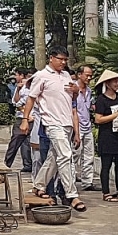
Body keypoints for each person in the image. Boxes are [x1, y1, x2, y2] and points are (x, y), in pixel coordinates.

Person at [21, 46, 86, 212]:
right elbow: (31, 98)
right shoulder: (41, 76)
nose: (63, 62)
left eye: (65, 59)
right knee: (65, 155)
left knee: (54, 157)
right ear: (51, 58)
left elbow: (73, 99)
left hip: (67, 123)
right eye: (60, 59)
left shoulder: (65, 75)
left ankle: (38, 185)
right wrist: (25, 119)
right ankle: (72, 195)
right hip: (52, 122)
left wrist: (76, 91)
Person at [93, 70, 118, 202]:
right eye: (114, 81)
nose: (117, 84)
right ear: (107, 83)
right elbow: (98, 119)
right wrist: (116, 114)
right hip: (107, 136)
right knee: (106, 165)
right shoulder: (101, 100)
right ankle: (106, 192)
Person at [4, 68, 33, 173]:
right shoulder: (20, 87)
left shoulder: (34, 87)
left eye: (16, 75)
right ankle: (6, 164)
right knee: (15, 142)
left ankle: (28, 164)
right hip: (22, 117)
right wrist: (19, 90)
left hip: (33, 118)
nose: (15, 77)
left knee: (28, 143)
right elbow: (16, 102)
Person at [74, 64, 97, 191]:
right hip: (76, 127)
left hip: (87, 126)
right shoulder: (72, 88)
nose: (89, 77)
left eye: (90, 75)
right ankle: (70, 181)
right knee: (74, 155)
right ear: (79, 75)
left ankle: (87, 182)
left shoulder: (89, 91)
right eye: (87, 75)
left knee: (89, 155)